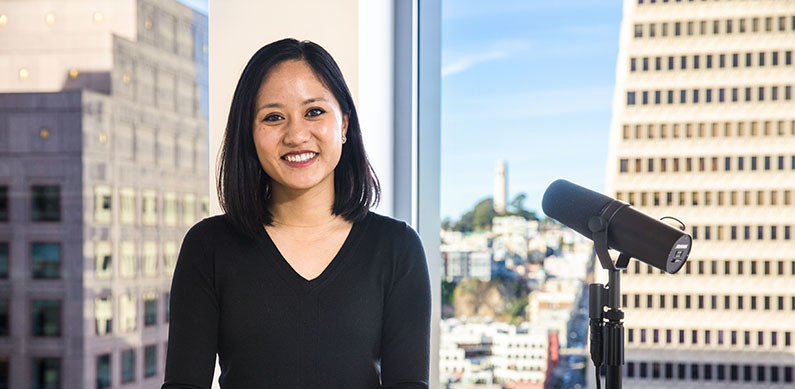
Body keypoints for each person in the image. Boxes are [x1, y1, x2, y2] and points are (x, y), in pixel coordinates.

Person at [161, 38, 432, 389]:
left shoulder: (397, 248)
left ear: (345, 124)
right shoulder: (208, 247)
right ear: (250, 133)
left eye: (314, 112)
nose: (296, 134)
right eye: (273, 117)